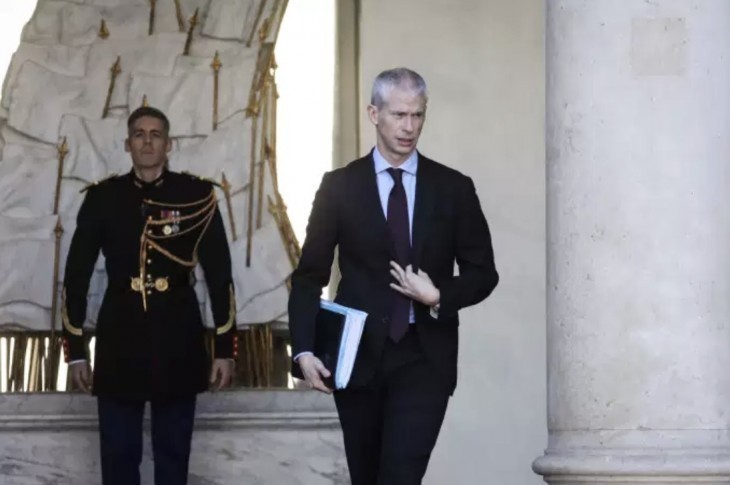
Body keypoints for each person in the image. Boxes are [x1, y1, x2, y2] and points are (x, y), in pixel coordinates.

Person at [288, 67, 499, 484]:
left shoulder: (453, 188)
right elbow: (309, 276)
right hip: (356, 360)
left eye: (417, 116)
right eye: (399, 115)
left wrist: (438, 294)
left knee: (401, 476)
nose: (408, 127)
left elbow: (483, 273)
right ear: (374, 113)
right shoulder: (339, 187)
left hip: (425, 359)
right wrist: (304, 350)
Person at [61, 106, 237, 485]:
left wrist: (224, 349)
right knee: (119, 457)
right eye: (139, 134)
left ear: (168, 144)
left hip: (178, 337)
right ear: (128, 144)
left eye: (155, 134)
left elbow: (221, 276)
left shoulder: (196, 194)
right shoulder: (102, 198)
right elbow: (75, 278)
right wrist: (76, 352)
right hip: (119, 337)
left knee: (173, 457)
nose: (147, 141)